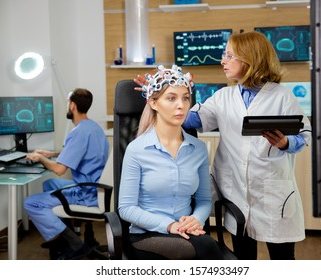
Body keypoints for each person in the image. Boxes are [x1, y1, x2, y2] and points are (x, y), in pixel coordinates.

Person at [135, 31, 311, 260]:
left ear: (249, 59)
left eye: (229, 55)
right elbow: (190, 119)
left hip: (274, 194)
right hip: (237, 194)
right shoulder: (223, 97)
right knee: (243, 259)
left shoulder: (282, 96)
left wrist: (285, 142)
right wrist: (158, 94)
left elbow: (304, 135)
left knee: (283, 260)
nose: (222, 60)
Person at [119, 65, 234, 260]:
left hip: (187, 232)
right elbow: (126, 208)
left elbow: (204, 200)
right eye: (171, 98)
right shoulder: (136, 149)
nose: (180, 105)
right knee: (205, 249)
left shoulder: (197, 149)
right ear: (153, 103)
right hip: (146, 234)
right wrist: (169, 225)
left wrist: (196, 219)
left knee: (202, 247)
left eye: (185, 98)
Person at [24, 88, 109, 260]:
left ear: (72, 105)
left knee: (31, 203)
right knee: (49, 185)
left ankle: (74, 244)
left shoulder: (78, 132)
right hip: (99, 187)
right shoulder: (93, 127)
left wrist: (40, 158)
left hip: (87, 193)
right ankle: (65, 233)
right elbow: (82, 153)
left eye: (68, 103)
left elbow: (59, 170)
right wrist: (51, 154)